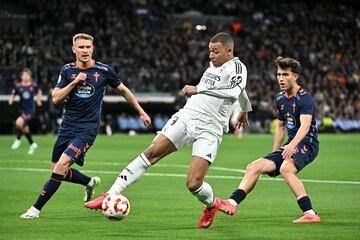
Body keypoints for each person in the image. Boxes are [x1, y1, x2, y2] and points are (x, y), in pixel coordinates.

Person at [84, 32, 252, 228]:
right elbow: (240, 90)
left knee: (194, 183)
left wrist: (199, 90)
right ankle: (111, 194)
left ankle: (212, 204)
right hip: (189, 115)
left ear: (229, 51)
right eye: (209, 52)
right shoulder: (214, 65)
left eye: (215, 52)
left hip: (211, 128)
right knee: (152, 152)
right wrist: (245, 109)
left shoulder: (238, 67)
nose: (211, 56)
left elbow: (235, 90)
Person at [20, 33, 151, 219]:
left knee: (61, 167)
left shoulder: (104, 71)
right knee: (58, 170)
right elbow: (56, 98)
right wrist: (74, 82)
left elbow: (123, 90)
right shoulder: (67, 71)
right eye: (81, 47)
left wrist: (140, 111)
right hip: (67, 126)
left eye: (88, 47)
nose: (85, 50)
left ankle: (35, 209)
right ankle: (89, 182)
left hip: (87, 129)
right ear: (74, 49)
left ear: (93, 49)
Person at [218, 56, 321, 224]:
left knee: (286, 169)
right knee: (254, 166)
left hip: (307, 143)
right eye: (279, 74)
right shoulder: (280, 98)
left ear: (295, 76)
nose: (281, 78)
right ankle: (231, 203)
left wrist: (291, 146)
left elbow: (305, 126)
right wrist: (275, 152)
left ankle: (310, 213)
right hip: (291, 145)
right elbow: (280, 127)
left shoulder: (305, 98)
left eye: (285, 75)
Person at [8, 68, 43, 155]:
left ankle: (18, 139)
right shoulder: (18, 86)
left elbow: (39, 91)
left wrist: (39, 100)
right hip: (22, 110)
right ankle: (32, 144)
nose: (25, 76)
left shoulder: (33, 86)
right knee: (25, 128)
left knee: (18, 123)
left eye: (27, 75)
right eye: (24, 75)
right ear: (21, 76)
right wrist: (11, 99)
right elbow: (12, 94)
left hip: (30, 110)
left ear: (30, 76)